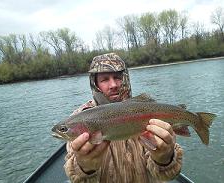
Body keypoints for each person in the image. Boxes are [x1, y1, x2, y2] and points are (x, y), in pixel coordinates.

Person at [64, 53, 183, 183]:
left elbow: (167, 175)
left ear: (125, 78)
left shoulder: (147, 109)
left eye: (117, 77)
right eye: (105, 79)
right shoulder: (78, 118)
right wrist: (84, 168)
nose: (113, 84)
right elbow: (77, 179)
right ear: (95, 83)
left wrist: (165, 159)